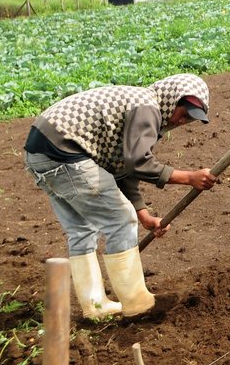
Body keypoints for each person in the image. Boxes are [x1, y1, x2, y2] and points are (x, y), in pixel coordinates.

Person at [24, 73, 218, 320]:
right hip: (64, 150)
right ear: (172, 99)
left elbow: (121, 169)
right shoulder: (147, 107)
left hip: (43, 152)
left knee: (82, 229)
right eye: (185, 112)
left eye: (191, 118)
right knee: (121, 219)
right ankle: (137, 304)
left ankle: (95, 308)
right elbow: (138, 163)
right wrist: (188, 177)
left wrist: (144, 215)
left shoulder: (140, 105)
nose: (183, 120)